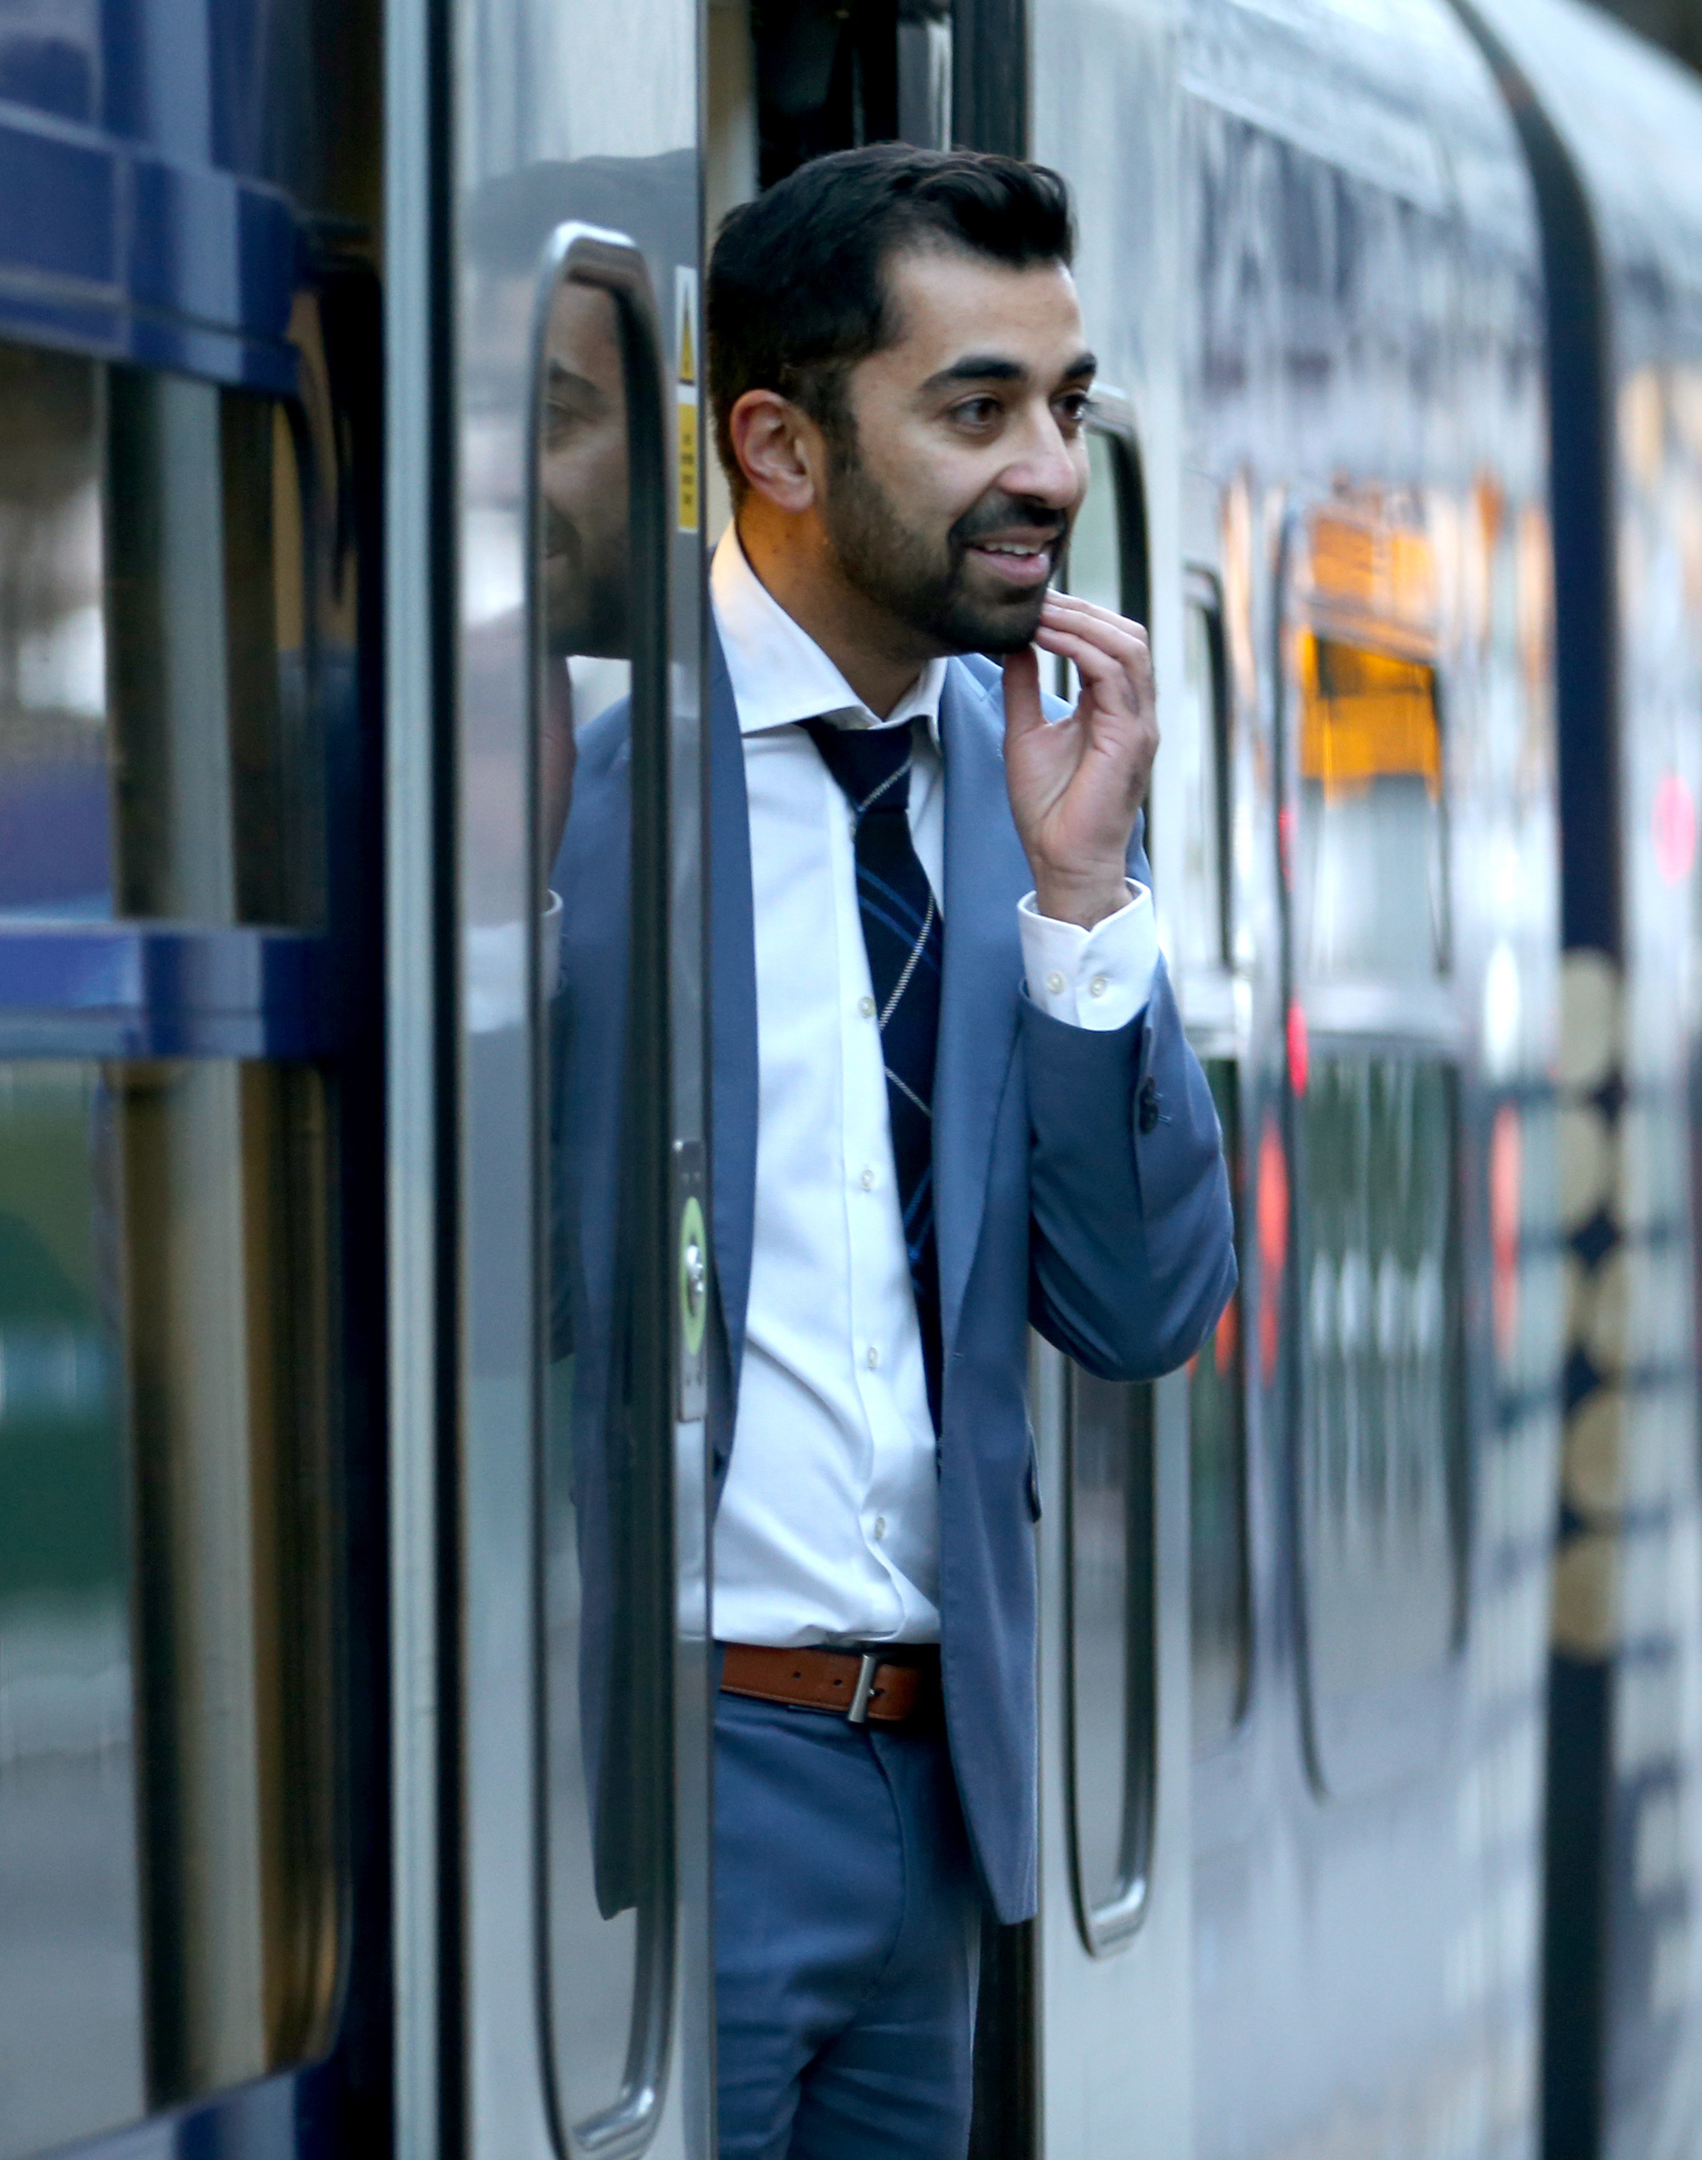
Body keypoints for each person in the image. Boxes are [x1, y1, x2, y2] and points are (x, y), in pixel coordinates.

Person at [547, 145, 1237, 2158]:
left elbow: (1134, 1308)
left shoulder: (1024, 786)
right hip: (670, 1783)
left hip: (932, 1808)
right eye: (974, 408)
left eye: (1063, 403)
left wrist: (1083, 892)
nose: (1047, 467)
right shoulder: (591, 779)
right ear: (773, 443)